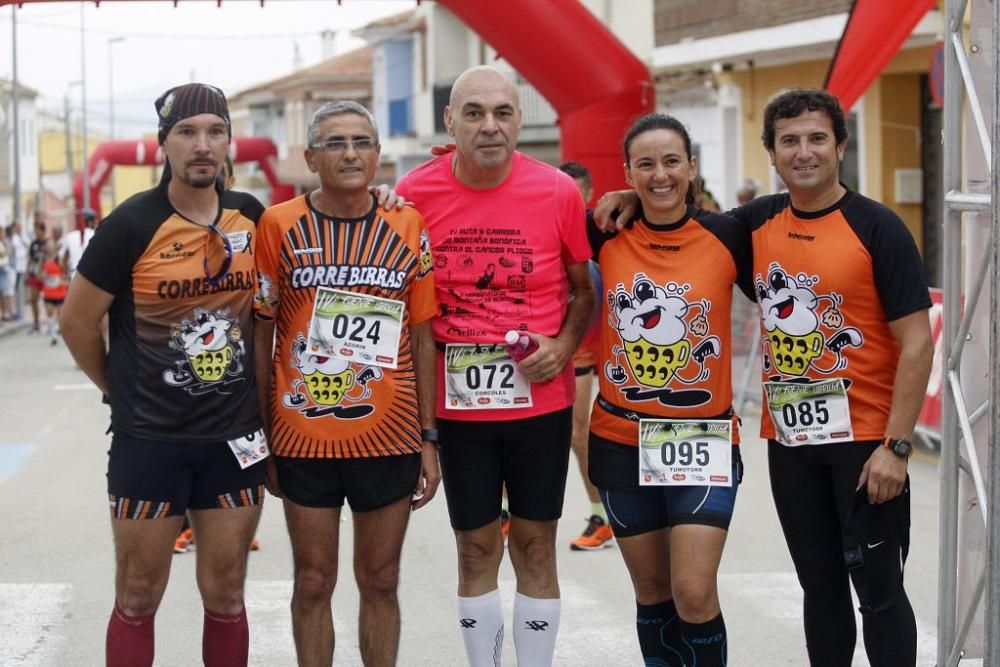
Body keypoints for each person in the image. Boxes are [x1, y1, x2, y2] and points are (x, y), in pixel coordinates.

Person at [596, 88, 933, 667]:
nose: (804, 153)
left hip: (866, 443)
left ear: (841, 147)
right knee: (820, 589)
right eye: (789, 141)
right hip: (792, 443)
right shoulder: (750, 226)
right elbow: (676, 216)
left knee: (878, 594)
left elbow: (918, 341)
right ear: (772, 155)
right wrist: (638, 188)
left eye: (817, 139)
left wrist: (897, 447)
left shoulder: (879, 227)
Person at [60, 82, 266, 667]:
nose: (203, 145)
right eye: (187, 132)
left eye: (215, 132)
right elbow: (77, 324)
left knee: (226, 596)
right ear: (164, 144)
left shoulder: (251, 216)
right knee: (139, 595)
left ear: (228, 142)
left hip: (234, 439)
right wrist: (117, 390)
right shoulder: (129, 224)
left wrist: (383, 196)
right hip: (148, 441)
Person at [396, 65, 594, 666]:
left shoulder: (557, 190)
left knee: (536, 547)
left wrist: (562, 346)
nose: (489, 126)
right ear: (450, 121)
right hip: (457, 406)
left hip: (540, 402)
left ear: (520, 121)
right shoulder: (412, 193)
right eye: (474, 113)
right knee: (475, 549)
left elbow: (584, 293)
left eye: (503, 113)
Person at [253, 99, 441, 666]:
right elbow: (263, 333)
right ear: (311, 157)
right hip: (301, 435)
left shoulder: (406, 223)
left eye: (362, 141)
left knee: (380, 580)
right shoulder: (277, 225)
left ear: (379, 154)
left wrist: (430, 438)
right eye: (335, 143)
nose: (351, 153)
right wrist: (264, 435)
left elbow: (423, 335)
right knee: (313, 581)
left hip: (389, 434)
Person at [586, 113, 749, 666]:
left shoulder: (728, 234)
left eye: (672, 161)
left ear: (692, 167)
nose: (661, 175)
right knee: (653, 594)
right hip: (618, 439)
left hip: (701, 440)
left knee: (694, 593)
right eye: (646, 164)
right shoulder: (603, 230)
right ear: (629, 172)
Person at [174, 152, 261, 556]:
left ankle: (232, 525)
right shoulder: (153, 218)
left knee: (228, 576)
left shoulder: (248, 211)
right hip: (177, 406)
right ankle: (184, 528)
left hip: (238, 406)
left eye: (224, 170)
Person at [557, 160, 614, 552]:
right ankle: (506, 512)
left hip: (591, 350)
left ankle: (602, 516)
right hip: (546, 345)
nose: (572, 202)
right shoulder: (544, 228)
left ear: (589, 194)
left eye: (578, 194)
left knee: (580, 435)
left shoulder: (606, 234)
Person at [25, 215, 47, 334]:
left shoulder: (48, 243)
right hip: (34, 274)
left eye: (37, 230)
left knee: (48, 300)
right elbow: (30, 259)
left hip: (45, 275)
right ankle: (36, 323)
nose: (36, 232)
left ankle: (51, 323)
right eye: (34, 230)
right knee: (34, 299)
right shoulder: (33, 243)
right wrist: (27, 273)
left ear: (42, 230)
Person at [62, 208, 97, 279]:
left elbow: (64, 259)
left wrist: (66, 275)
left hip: (74, 275)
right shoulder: (95, 235)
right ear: (90, 222)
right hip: (91, 276)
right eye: (95, 221)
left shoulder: (70, 236)